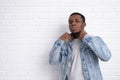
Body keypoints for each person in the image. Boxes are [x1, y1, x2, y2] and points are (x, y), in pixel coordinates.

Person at [49, 12, 111, 80]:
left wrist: (86, 37)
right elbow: (53, 61)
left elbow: (106, 57)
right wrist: (60, 40)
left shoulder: (94, 40)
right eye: (70, 22)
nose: (73, 23)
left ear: (84, 24)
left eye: (77, 21)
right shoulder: (65, 44)